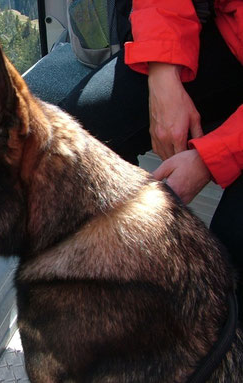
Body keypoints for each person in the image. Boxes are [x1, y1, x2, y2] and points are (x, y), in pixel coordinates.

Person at [59, 0, 243, 311]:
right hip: (231, 35)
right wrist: (163, 73)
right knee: (76, 141)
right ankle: (117, 284)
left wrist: (211, 157)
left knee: (231, 251)